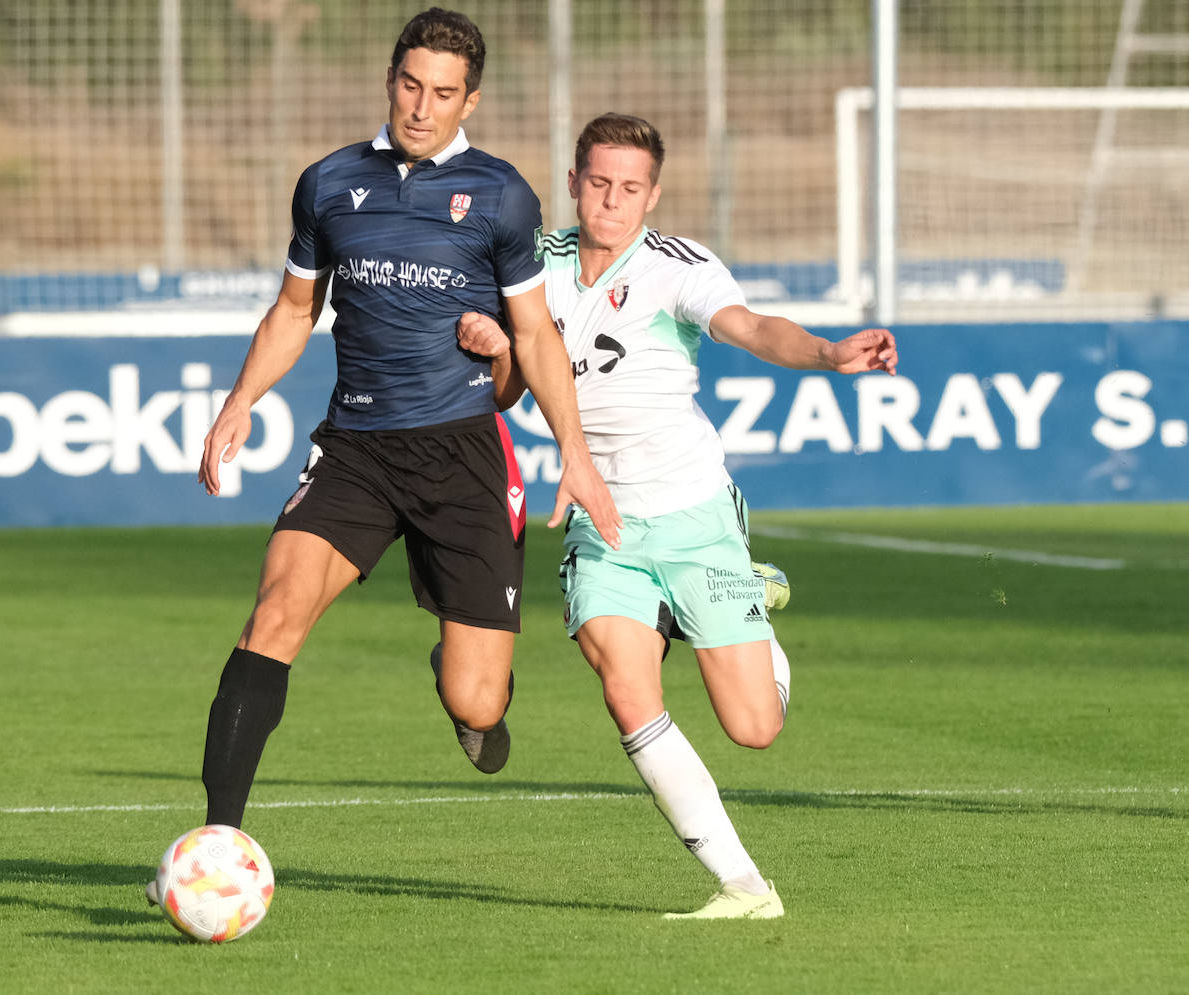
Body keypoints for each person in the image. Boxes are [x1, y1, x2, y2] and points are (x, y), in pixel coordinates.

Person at [182, 10, 622, 840]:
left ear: (471, 101)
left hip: (462, 454)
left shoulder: (501, 195)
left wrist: (577, 455)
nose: (422, 106)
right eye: (411, 85)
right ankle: (216, 841)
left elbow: (535, 336)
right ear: (390, 80)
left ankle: (466, 688)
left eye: (443, 93)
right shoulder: (328, 183)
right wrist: (240, 399)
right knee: (274, 613)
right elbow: (292, 309)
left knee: (475, 699)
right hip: (355, 450)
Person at [457, 113, 898, 919]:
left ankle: (747, 598)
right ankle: (745, 887)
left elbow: (754, 328)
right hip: (601, 518)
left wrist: (831, 354)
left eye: (629, 188)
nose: (611, 201)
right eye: (598, 183)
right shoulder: (530, 267)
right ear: (572, 184)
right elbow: (506, 391)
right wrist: (494, 350)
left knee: (754, 727)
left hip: (694, 514)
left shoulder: (676, 268)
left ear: (652, 194)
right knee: (628, 690)